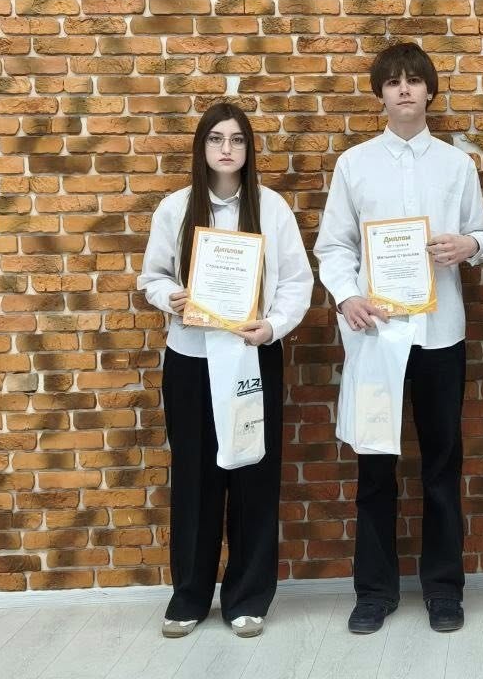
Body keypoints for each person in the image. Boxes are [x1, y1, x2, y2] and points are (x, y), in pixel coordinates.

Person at [314, 41, 483, 636]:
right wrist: (347, 296)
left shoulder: (457, 165)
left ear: (429, 91)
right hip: (378, 337)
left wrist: (468, 246)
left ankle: (444, 590)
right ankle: (374, 591)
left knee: (442, 465)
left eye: (414, 80)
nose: (404, 90)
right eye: (393, 82)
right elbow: (333, 245)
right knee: (375, 467)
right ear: (380, 95)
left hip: (441, 335)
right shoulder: (354, 165)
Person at [138, 101, 313, 640]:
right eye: (216, 139)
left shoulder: (271, 207)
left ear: (248, 149)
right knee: (195, 478)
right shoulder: (175, 208)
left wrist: (273, 325)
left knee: (253, 476)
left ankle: (248, 597)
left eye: (237, 139)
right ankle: (189, 597)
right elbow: (152, 277)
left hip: (252, 354)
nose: (227, 149)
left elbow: (297, 281)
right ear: (202, 147)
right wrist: (171, 296)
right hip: (191, 358)